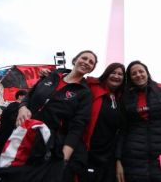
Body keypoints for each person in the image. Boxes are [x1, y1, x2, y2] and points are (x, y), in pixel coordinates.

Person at [13, 50, 98, 182]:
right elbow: (29, 96)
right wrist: (22, 107)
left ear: (91, 69)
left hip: (48, 147)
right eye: (84, 58)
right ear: (75, 60)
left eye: (91, 62)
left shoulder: (85, 93)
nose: (87, 62)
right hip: (21, 136)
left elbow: (78, 127)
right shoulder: (51, 76)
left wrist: (63, 159)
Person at [116, 60, 161, 182]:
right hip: (133, 161)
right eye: (134, 73)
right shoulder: (125, 98)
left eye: (141, 71)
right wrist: (118, 159)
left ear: (147, 73)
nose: (138, 75)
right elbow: (122, 130)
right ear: (130, 78)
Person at [83, 62, 125, 182]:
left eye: (120, 74)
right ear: (106, 74)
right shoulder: (91, 88)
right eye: (113, 72)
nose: (116, 76)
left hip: (110, 156)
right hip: (89, 153)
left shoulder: (121, 97)